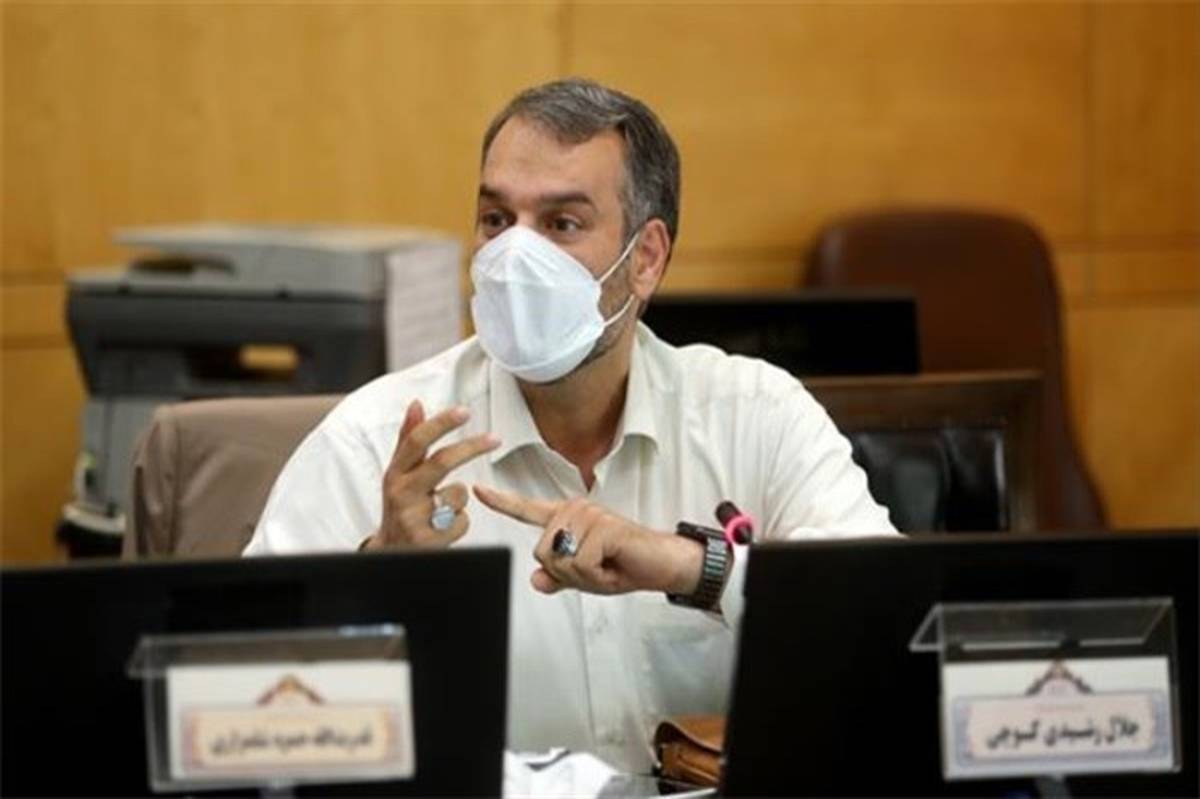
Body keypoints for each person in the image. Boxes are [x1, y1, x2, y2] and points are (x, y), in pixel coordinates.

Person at [245, 78, 895, 771]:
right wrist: (378, 579)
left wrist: (693, 567)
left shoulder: (757, 415)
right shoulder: (377, 441)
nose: (513, 256)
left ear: (646, 259)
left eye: (562, 224)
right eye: (496, 219)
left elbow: (890, 628)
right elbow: (243, 706)